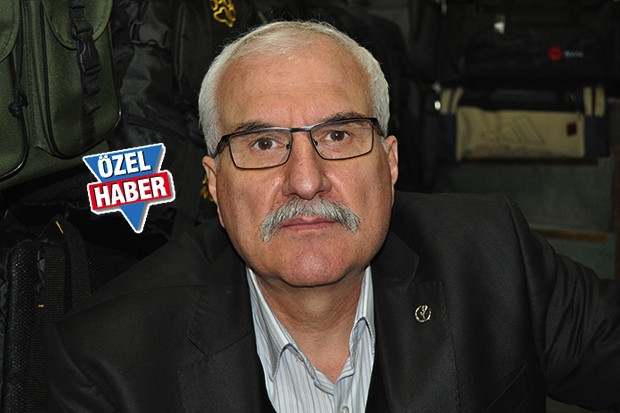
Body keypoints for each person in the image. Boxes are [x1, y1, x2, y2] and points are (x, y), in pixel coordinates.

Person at [46, 20, 620, 413]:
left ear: (389, 163)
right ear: (215, 185)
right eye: (264, 144)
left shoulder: (491, 254)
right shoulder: (109, 359)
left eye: (338, 135)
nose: (305, 180)